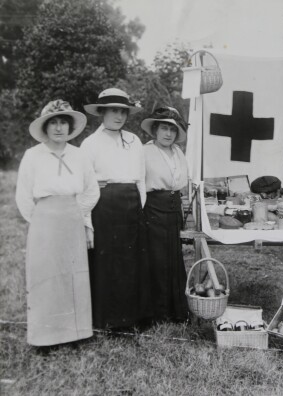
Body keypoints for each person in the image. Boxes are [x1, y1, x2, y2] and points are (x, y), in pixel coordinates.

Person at [15, 100, 99, 346]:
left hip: (72, 219)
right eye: (54, 123)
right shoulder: (33, 156)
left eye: (63, 122)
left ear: (70, 126)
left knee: (74, 276)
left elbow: (92, 191)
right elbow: (23, 196)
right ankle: (45, 338)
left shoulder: (79, 155)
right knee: (46, 278)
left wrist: (75, 213)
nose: (59, 128)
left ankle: (75, 334)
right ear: (45, 127)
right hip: (44, 222)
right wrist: (42, 220)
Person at [81, 88, 152, 329]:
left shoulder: (135, 141)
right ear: (102, 112)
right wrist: (88, 223)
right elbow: (85, 186)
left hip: (131, 205)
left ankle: (133, 317)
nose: (119, 116)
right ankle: (108, 320)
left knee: (132, 261)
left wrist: (138, 207)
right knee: (108, 264)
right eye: (113, 110)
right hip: (104, 206)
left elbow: (141, 179)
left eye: (123, 111)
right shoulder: (89, 144)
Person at [141, 106, 190, 323]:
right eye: (163, 128)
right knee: (157, 259)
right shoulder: (145, 151)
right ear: (155, 129)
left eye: (172, 129)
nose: (168, 134)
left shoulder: (178, 152)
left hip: (173, 208)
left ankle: (176, 310)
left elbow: (181, 182)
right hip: (153, 208)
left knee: (174, 258)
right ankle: (158, 312)